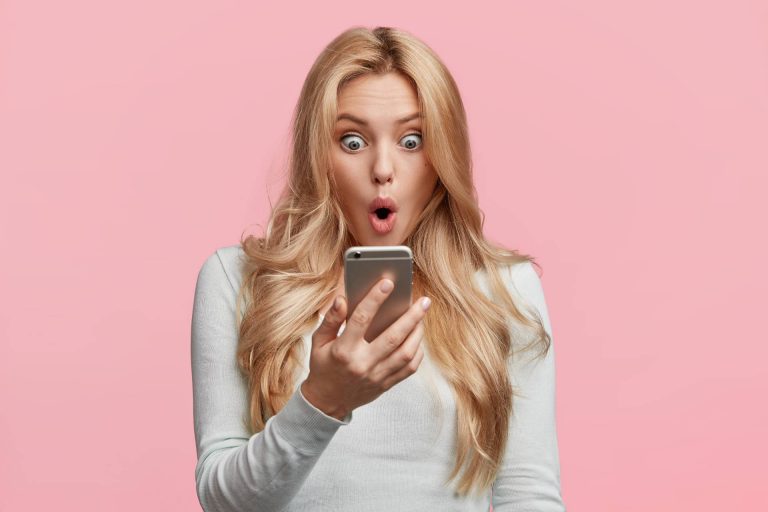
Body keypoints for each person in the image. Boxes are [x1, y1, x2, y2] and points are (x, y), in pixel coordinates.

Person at [191, 26, 566, 512]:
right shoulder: (236, 280)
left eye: (412, 140)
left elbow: (528, 498)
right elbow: (223, 501)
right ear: (317, 156)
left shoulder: (503, 289)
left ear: (441, 158)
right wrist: (323, 400)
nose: (383, 168)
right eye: (352, 141)